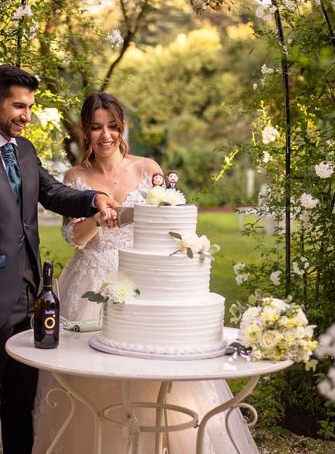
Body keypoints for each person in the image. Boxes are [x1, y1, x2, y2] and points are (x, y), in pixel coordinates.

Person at [32, 92, 259, 453]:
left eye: (112, 126)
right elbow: (74, 239)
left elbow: (166, 224)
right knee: (90, 377)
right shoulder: (75, 176)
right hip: (89, 285)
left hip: (144, 283)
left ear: (122, 128)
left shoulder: (147, 169)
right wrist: (97, 219)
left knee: (150, 373)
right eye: (96, 127)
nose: (105, 135)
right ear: (85, 132)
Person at [0, 65, 120, 454]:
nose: (26, 115)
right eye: (18, 106)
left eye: (30, 107)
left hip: (31, 301)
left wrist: (93, 199)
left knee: (21, 403)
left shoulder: (24, 150)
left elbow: (53, 193)